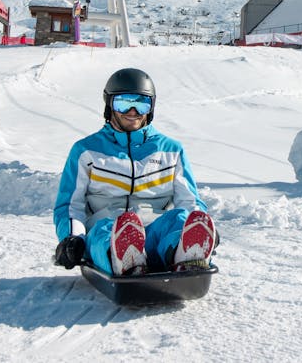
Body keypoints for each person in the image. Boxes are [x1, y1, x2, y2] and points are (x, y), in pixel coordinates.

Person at [52, 68, 216, 276]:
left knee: (180, 218)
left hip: (155, 228)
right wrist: (72, 238)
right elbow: (70, 204)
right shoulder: (86, 151)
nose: (132, 111)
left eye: (141, 104)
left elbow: (189, 200)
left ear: (151, 107)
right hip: (108, 227)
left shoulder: (171, 150)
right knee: (104, 230)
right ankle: (123, 256)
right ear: (109, 105)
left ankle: (187, 254)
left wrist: (198, 221)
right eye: (124, 103)